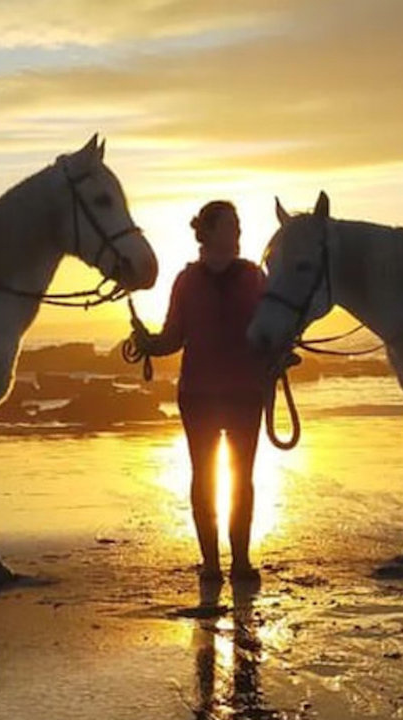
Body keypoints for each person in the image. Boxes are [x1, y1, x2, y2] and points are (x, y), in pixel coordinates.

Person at [131, 201, 269, 584]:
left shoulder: (254, 277)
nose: (238, 230)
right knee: (204, 476)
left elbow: (269, 329)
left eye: (239, 224)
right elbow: (173, 337)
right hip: (201, 395)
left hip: (241, 392)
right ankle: (211, 563)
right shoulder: (188, 281)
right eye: (231, 224)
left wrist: (280, 353)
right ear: (208, 232)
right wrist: (150, 344)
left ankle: (238, 562)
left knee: (242, 477)